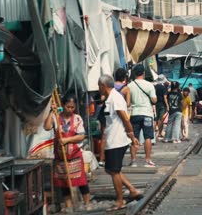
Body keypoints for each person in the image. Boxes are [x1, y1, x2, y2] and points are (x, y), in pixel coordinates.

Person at [97, 75, 143, 211]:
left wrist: (132, 136)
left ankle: (120, 200)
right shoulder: (111, 98)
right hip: (113, 139)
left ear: (103, 86)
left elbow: (125, 119)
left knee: (114, 171)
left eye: (99, 86)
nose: (98, 88)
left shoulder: (115, 98)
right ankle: (132, 190)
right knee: (110, 169)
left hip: (116, 140)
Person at [44, 95, 92, 212]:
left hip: (74, 156)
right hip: (61, 157)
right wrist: (51, 111)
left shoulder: (77, 119)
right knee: (64, 182)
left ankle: (87, 204)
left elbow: (81, 136)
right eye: (68, 107)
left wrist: (67, 140)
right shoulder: (56, 117)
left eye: (72, 107)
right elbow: (47, 127)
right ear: (63, 106)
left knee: (81, 181)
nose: (70, 109)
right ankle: (68, 206)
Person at [128, 64, 158, 167]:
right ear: (144, 73)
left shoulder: (130, 86)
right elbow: (154, 100)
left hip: (134, 114)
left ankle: (133, 161)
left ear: (134, 73)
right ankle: (147, 160)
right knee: (148, 137)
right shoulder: (149, 85)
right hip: (147, 114)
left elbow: (128, 101)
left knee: (134, 138)